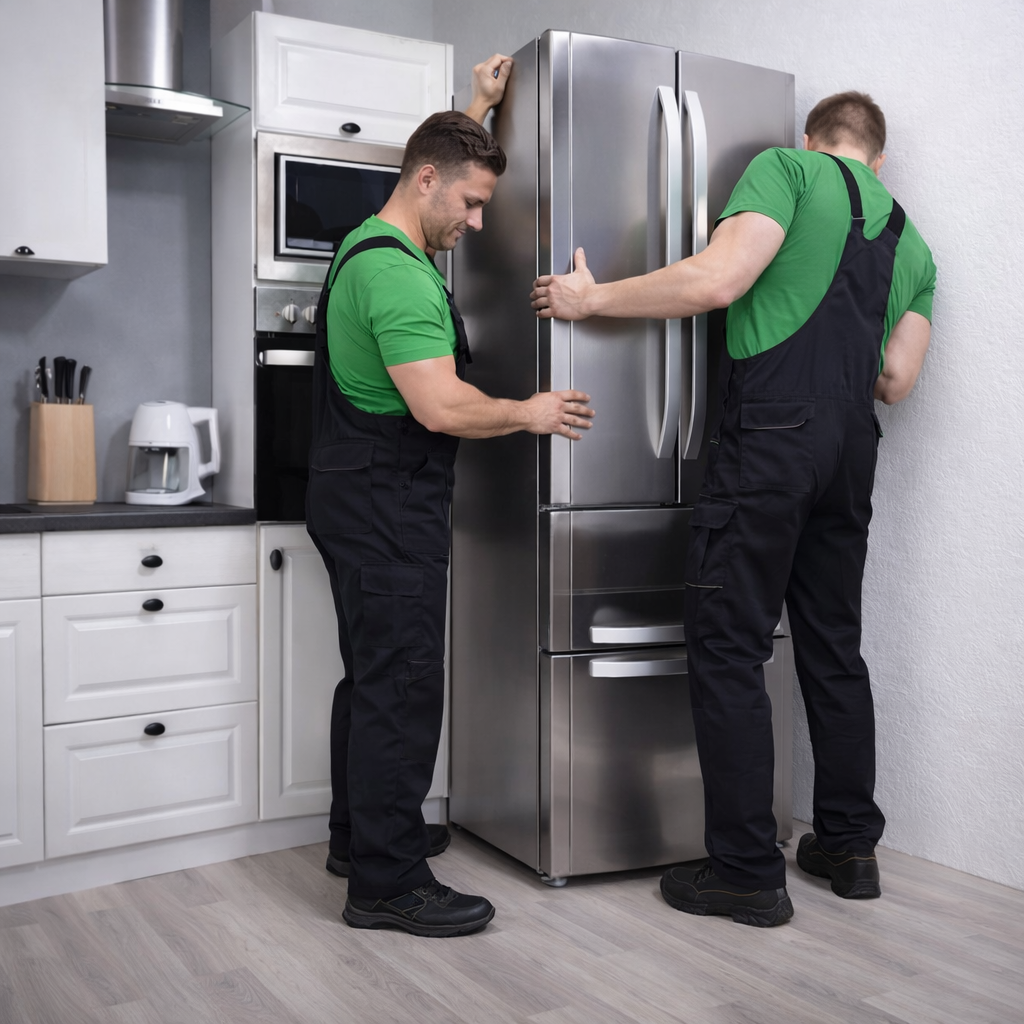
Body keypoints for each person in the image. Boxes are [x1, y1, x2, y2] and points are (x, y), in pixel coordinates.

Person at [531, 91, 935, 927]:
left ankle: (747, 872)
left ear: (813, 139)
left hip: (770, 443)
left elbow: (719, 279)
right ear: (879, 159)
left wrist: (590, 300)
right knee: (833, 648)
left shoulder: (787, 170)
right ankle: (848, 847)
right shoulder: (914, 242)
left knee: (727, 645)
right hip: (850, 452)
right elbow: (896, 381)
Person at [306, 54, 595, 939]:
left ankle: (360, 840)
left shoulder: (372, 239)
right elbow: (440, 406)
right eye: (469, 204)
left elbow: (437, 156)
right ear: (427, 182)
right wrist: (531, 411)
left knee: (372, 679)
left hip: (353, 496)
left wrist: (477, 107)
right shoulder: (398, 275)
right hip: (387, 507)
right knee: (401, 686)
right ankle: (389, 883)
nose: (475, 222)